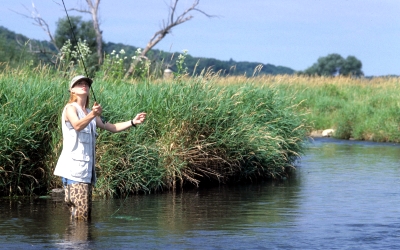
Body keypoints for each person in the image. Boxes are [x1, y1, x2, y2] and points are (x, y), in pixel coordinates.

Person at [54, 75, 146, 220]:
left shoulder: (90, 113)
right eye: (79, 84)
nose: (84, 85)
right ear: (72, 90)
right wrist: (92, 114)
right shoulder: (70, 108)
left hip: (86, 174)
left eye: (86, 84)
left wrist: (133, 121)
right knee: (81, 216)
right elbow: (77, 125)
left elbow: (113, 127)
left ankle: (74, 242)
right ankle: (77, 242)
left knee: (81, 217)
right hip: (74, 172)